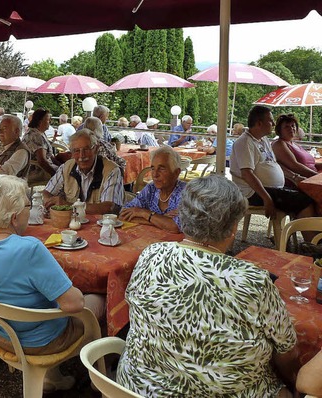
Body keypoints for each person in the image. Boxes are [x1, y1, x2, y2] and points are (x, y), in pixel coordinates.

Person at [117, 175, 299, 397]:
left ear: (183, 218)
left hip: (139, 388)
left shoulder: (151, 255)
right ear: (233, 228)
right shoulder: (254, 281)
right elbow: (287, 354)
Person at [0, 174, 105, 392]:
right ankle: (102, 377)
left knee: (37, 295)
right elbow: (74, 304)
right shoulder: (29, 248)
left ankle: (52, 376)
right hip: (37, 342)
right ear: (14, 218)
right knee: (98, 299)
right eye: (28, 205)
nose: (30, 210)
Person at [230, 105, 317, 240]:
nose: (273, 124)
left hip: (270, 189)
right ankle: (311, 243)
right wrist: (266, 198)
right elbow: (247, 174)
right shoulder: (244, 142)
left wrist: (294, 178)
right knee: (304, 201)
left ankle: (304, 239)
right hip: (253, 193)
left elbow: (274, 165)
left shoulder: (263, 139)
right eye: (270, 120)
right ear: (259, 123)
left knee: (308, 196)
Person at [43, 130, 124, 215]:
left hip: (101, 225)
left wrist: (68, 206)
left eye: (86, 149)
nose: (82, 156)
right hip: (71, 224)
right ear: (72, 153)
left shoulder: (112, 170)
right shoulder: (67, 167)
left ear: (96, 149)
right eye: (76, 151)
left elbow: (108, 207)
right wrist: (50, 203)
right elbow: (47, 192)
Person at [120, 146, 184, 233]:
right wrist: (161, 220)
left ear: (176, 172)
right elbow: (124, 214)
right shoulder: (151, 189)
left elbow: (176, 227)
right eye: (153, 168)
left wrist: (144, 213)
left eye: (161, 168)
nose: (155, 174)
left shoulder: (186, 193)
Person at [272, 113, 321, 182]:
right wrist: (317, 177)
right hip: (302, 182)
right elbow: (295, 166)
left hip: (312, 178)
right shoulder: (279, 144)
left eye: (293, 126)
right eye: (287, 126)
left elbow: (311, 164)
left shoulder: (295, 144)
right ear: (279, 130)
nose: (291, 128)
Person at [22, 108, 60, 183]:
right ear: (40, 122)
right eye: (48, 120)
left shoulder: (37, 132)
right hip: (38, 170)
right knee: (69, 174)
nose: (50, 122)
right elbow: (42, 161)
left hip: (38, 167)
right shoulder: (36, 136)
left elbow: (47, 154)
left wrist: (61, 166)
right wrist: (56, 175)